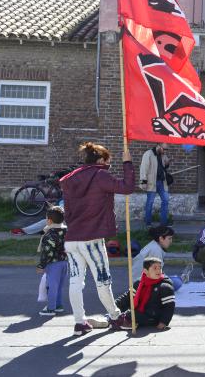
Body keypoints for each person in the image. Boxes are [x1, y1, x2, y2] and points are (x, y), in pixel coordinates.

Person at [60, 142, 135, 336]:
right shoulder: (100, 175)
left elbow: (67, 209)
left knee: (76, 281)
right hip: (92, 237)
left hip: (72, 237)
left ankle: (79, 322)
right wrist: (128, 164)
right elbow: (127, 187)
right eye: (107, 161)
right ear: (100, 160)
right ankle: (116, 317)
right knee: (103, 280)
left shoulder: (71, 178)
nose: (108, 165)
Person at [114, 257, 175, 331]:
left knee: (131, 315)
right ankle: (119, 320)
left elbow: (169, 307)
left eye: (160, 267)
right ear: (145, 271)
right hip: (142, 312)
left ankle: (123, 321)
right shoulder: (139, 283)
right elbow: (128, 297)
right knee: (123, 313)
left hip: (154, 318)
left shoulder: (165, 286)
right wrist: (114, 306)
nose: (159, 270)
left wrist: (164, 322)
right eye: (155, 268)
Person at [132, 226, 190, 291]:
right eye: (169, 238)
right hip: (142, 285)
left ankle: (180, 278)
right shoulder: (156, 250)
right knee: (177, 282)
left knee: (174, 279)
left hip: (139, 282)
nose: (171, 241)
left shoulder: (154, 245)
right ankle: (181, 279)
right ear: (161, 238)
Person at [36, 206, 68, 316]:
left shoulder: (49, 235)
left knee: (51, 287)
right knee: (59, 286)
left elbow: (47, 252)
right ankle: (58, 305)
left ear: (49, 221)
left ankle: (50, 308)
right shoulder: (66, 231)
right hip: (65, 263)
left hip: (53, 264)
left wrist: (41, 265)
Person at [140, 142, 170, 227]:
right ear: (158, 146)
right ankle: (148, 223)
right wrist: (143, 182)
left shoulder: (163, 155)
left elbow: (164, 168)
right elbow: (143, 168)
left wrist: (167, 164)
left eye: (166, 149)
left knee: (166, 200)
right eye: (164, 149)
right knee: (150, 202)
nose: (165, 151)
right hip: (151, 182)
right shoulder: (148, 154)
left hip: (162, 182)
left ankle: (163, 223)